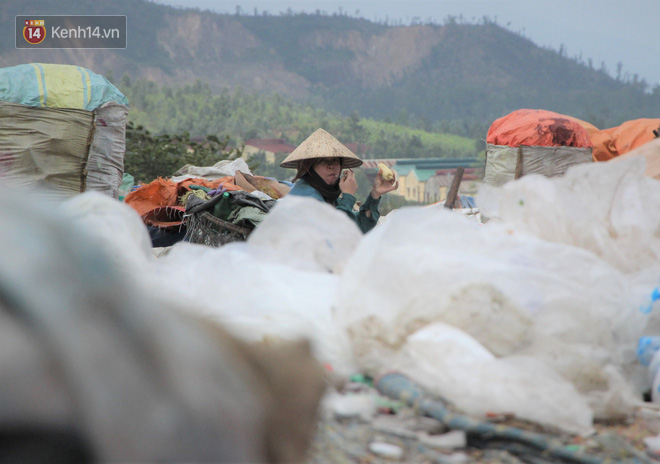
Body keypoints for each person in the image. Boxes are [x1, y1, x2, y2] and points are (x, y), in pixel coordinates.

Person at [280, 128, 398, 233]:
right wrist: (347, 196)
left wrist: (375, 194)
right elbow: (338, 235)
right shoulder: (305, 197)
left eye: (335, 161)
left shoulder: (330, 196)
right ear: (309, 168)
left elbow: (359, 228)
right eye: (322, 161)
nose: (331, 166)